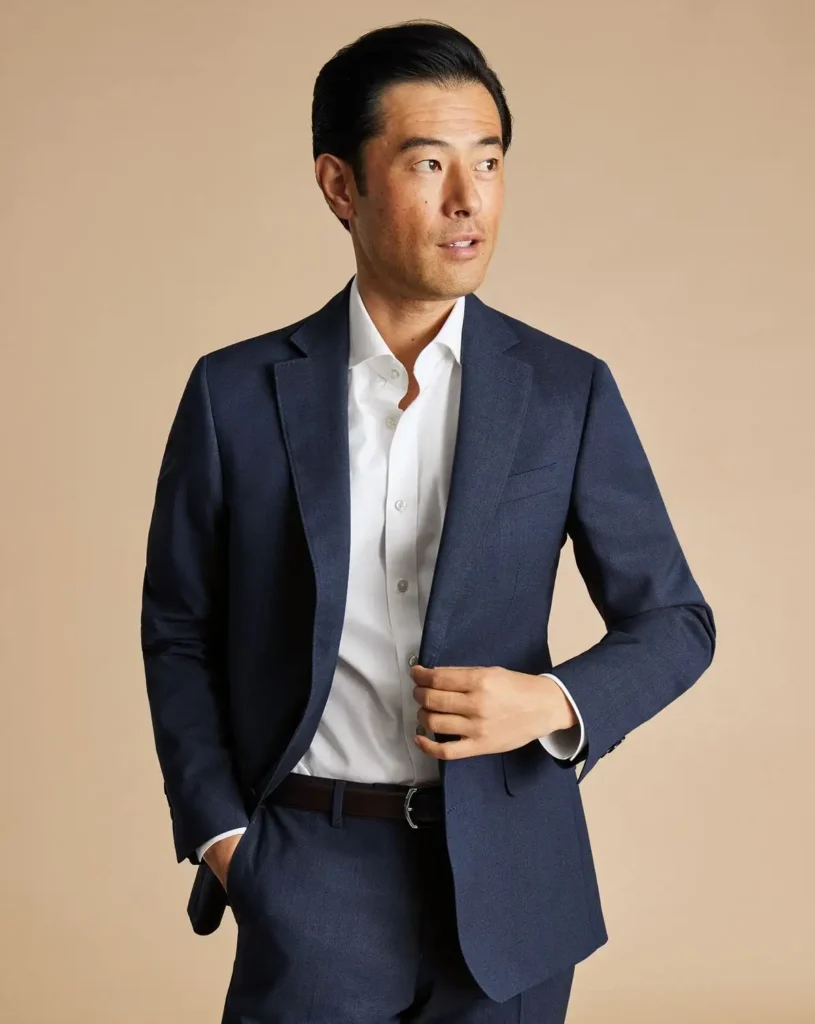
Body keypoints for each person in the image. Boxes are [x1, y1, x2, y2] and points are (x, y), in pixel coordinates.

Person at [140, 19, 716, 1023]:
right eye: (428, 163)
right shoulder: (234, 394)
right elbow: (179, 626)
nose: (468, 199)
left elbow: (676, 621)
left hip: (512, 883)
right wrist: (224, 836)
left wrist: (551, 703)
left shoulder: (565, 389)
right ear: (340, 186)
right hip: (307, 869)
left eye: (487, 162)